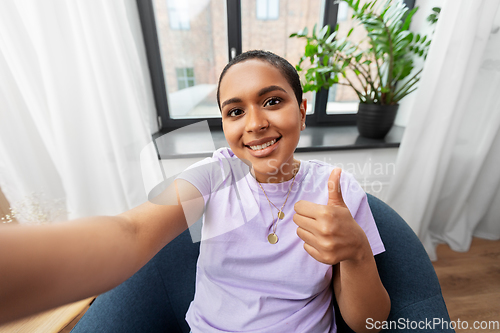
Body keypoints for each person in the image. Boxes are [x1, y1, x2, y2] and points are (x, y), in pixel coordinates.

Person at [0, 50, 390, 332]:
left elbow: (367, 323)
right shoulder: (214, 174)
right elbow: (131, 233)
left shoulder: (337, 190)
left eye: (272, 101)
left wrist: (356, 250)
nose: (254, 123)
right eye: (235, 111)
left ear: (302, 111)